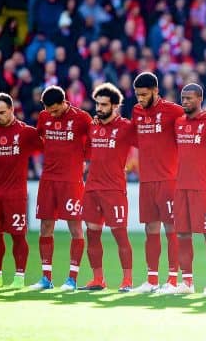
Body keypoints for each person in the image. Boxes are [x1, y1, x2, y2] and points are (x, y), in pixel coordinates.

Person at [0, 93, 43, 289]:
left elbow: (49, 148)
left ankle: (19, 278)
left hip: (16, 195)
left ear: (12, 109)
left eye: (2, 112)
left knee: (18, 236)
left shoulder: (26, 132)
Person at [163, 83, 206, 295]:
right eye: (183, 98)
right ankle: (187, 282)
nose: (185, 101)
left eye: (189, 98)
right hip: (181, 188)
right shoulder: (178, 122)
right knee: (182, 235)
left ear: (200, 99)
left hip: (204, 188)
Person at [30, 86, 92, 291]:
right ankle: (46, 278)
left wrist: (85, 160)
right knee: (45, 227)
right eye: (49, 111)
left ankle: (72, 279)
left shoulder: (82, 118)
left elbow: (93, 141)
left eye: (56, 110)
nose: (52, 114)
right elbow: (36, 140)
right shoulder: (43, 117)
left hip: (71, 181)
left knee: (75, 228)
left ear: (65, 102)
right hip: (48, 179)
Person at [78, 83, 137, 292]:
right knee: (91, 234)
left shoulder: (126, 128)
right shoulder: (93, 126)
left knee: (120, 235)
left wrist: (132, 166)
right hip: (92, 188)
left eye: (104, 105)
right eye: (97, 104)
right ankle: (97, 280)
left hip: (114, 190)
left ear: (115, 106)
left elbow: (147, 146)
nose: (99, 108)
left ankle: (127, 281)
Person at [130, 72, 182, 293]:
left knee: (171, 228)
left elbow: (195, 119)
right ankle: (151, 280)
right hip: (147, 180)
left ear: (155, 91)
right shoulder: (136, 111)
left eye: (144, 94)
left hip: (169, 179)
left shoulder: (173, 111)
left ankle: (171, 279)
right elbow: (133, 137)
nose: (140, 99)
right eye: (137, 95)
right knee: (150, 228)